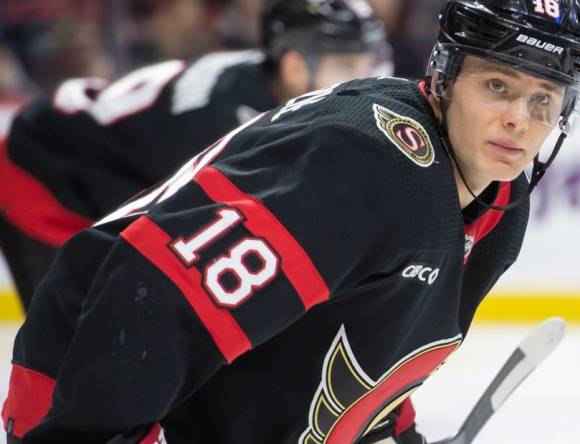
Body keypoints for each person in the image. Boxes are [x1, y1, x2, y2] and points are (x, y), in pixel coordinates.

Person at [3, 0, 580, 442]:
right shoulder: (366, 162)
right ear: (444, 80)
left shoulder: (501, 201)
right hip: (82, 390)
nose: (521, 118)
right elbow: (155, 292)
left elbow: (374, 354)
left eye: (545, 98)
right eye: (497, 85)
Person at [0, 0, 392, 312]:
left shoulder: (260, 88)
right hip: (39, 174)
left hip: (97, 167)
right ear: (292, 66)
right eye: (345, 64)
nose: (361, 78)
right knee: (72, 349)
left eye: (365, 62)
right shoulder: (225, 124)